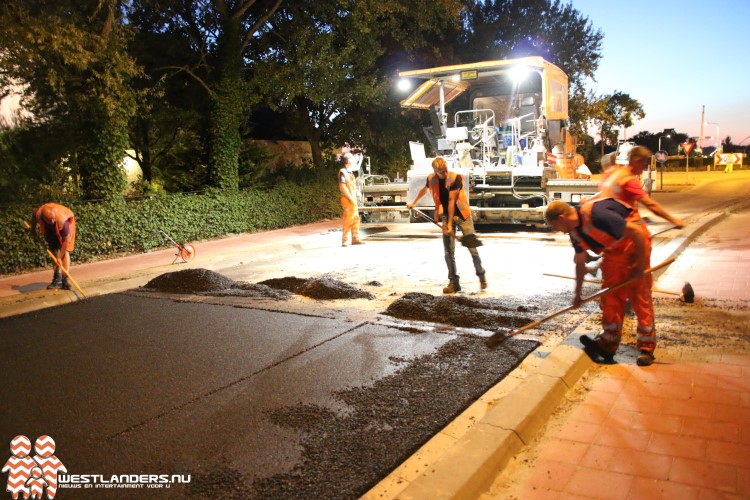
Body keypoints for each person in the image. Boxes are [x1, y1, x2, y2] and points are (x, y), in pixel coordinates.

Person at [544, 198, 658, 367]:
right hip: (614, 250)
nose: (558, 231)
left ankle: (646, 348)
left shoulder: (598, 215)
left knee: (639, 295)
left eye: (555, 227)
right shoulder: (574, 232)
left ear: (562, 218)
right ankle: (608, 344)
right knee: (610, 296)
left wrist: (639, 267)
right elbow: (581, 263)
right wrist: (577, 294)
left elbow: (636, 232)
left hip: (635, 244)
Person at [405, 157, 486, 294]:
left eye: (445, 169)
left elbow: (451, 202)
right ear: (435, 171)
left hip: (462, 215)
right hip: (446, 216)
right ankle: (453, 283)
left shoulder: (455, 178)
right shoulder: (432, 178)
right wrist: (413, 202)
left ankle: (481, 275)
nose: (444, 173)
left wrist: (449, 224)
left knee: (472, 247)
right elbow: (424, 190)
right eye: (441, 171)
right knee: (448, 251)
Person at [30, 203, 76, 290]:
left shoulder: (62, 220)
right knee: (54, 250)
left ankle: (65, 279)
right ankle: (57, 279)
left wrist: (60, 257)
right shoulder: (38, 213)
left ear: (55, 215)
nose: (52, 221)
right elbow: (34, 218)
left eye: (53, 219)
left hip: (67, 227)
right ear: (43, 217)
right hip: (49, 230)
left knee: (64, 253)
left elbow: (66, 241)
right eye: (49, 220)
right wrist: (33, 229)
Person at [338, 153, 363, 247]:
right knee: (348, 219)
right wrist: (350, 197)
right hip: (348, 200)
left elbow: (352, 186)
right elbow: (342, 187)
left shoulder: (350, 172)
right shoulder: (343, 172)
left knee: (355, 218)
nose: (353, 161)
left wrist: (357, 192)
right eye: (352, 159)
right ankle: (345, 241)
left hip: (352, 200)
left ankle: (355, 239)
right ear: (348, 161)